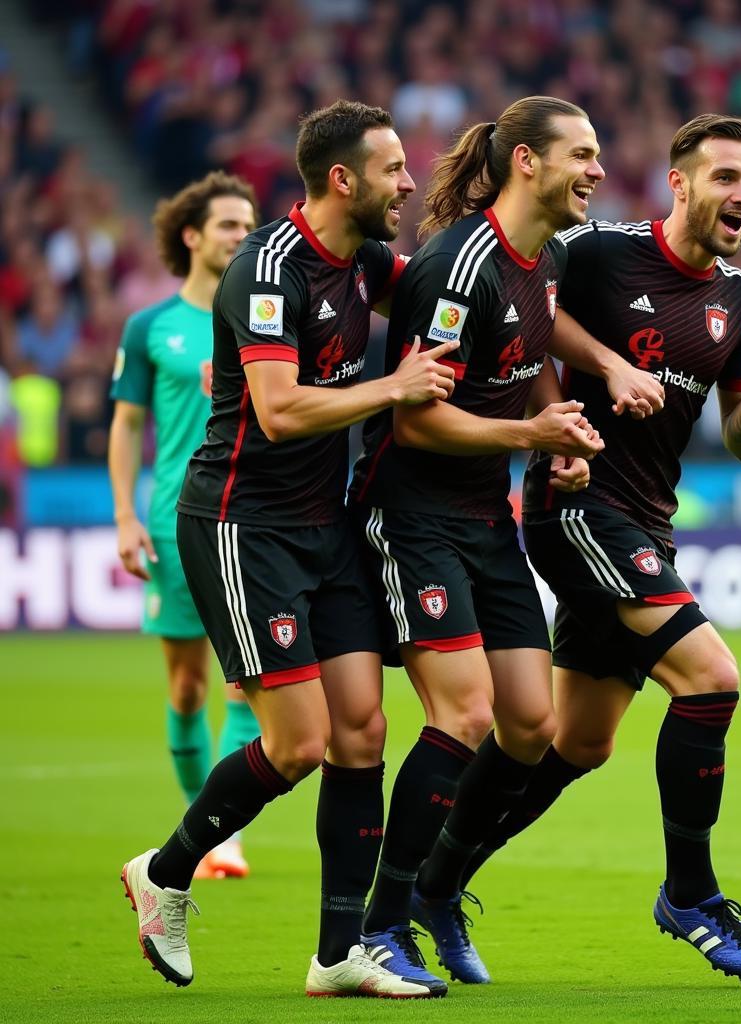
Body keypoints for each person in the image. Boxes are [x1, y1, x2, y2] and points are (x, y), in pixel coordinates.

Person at [120, 100, 461, 1000]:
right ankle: (165, 871)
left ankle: (338, 952)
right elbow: (278, 411)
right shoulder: (267, 269)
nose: (407, 184)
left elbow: (439, 286)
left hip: (328, 524)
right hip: (243, 526)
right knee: (302, 742)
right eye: (393, 169)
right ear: (343, 178)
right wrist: (393, 385)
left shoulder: (366, 264)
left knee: (363, 730)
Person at [454, 113, 741, 983]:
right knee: (712, 680)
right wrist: (593, 380)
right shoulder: (599, 251)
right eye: (725, 178)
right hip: (577, 505)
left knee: (576, 741)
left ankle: (430, 883)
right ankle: (691, 894)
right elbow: (522, 315)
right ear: (678, 184)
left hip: (648, 519)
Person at [347, 95, 664, 993]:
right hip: (412, 515)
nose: (599, 171)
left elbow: (532, 343)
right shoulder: (459, 265)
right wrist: (534, 440)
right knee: (467, 715)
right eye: (584, 154)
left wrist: (559, 408)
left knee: (533, 724)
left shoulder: (546, 255)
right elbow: (415, 423)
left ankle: (438, 890)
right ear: (526, 162)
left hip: (484, 515)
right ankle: (380, 926)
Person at [109, 171, 261, 881]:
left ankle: (219, 837)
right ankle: (198, 818)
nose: (242, 235)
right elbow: (128, 423)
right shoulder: (150, 328)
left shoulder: (263, 314)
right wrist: (124, 517)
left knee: (245, 682)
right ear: (192, 236)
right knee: (187, 688)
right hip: (174, 522)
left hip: (252, 518)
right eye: (229, 224)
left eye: (249, 224)